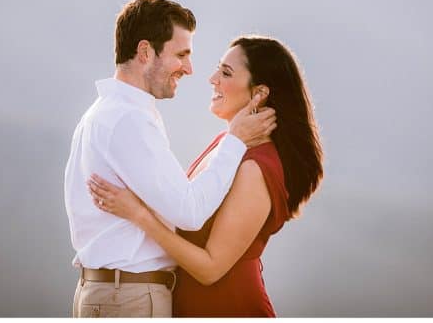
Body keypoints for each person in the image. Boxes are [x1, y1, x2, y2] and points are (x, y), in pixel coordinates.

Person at [64, 0, 276, 317]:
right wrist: (235, 140)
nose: (189, 69)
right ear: (146, 52)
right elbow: (190, 212)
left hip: (112, 293)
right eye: (181, 55)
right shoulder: (128, 120)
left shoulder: (104, 113)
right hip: (130, 298)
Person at [88, 35, 323, 317]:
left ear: (259, 93)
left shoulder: (255, 168)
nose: (212, 79)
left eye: (225, 73)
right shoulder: (227, 144)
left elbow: (210, 268)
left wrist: (138, 215)